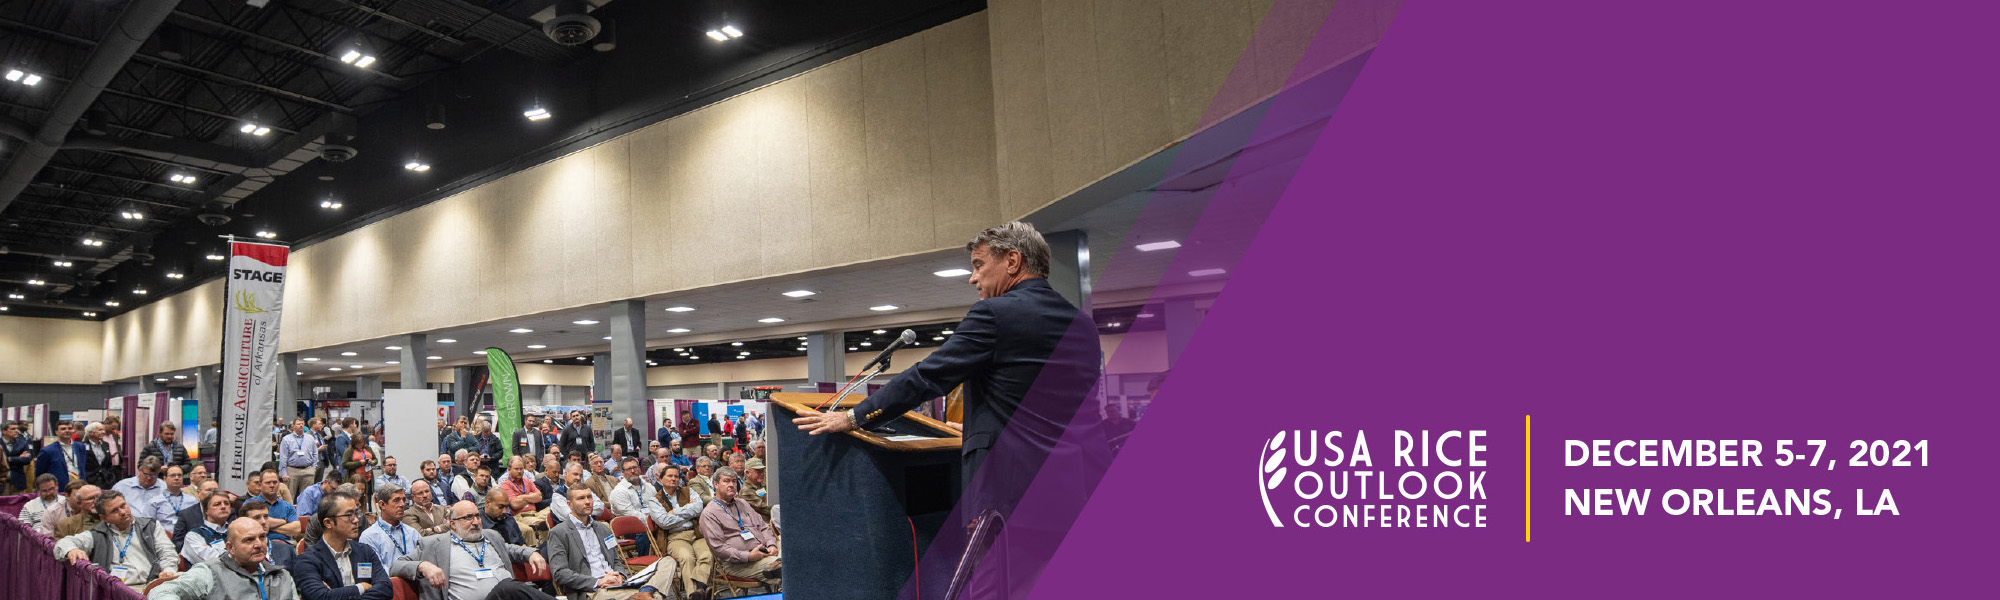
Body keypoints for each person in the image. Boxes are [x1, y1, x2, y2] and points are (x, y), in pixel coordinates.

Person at [389, 500, 555, 600]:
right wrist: (423, 565)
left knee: (511, 588)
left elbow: (509, 549)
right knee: (507, 587)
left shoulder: (490, 536)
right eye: (468, 518)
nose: (476, 522)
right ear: (452, 523)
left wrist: (531, 552)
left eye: (477, 516)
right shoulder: (433, 544)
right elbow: (395, 565)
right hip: (505, 592)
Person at [546, 487, 673, 600]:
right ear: (570, 504)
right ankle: (646, 594)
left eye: (589, 497)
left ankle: (644, 592)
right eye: (581, 498)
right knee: (656, 596)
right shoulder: (559, 533)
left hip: (618, 583)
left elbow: (616, 560)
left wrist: (621, 576)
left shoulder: (603, 529)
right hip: (593, 590)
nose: (587, 502)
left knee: (667, 562)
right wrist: (598, 581)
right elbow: (559, 573)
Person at [53, 489, 180, 592]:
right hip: (118, 591)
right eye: (115, 511)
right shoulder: (97, 534)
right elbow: (62, 544)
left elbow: (167, 551)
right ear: (104, 518)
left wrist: (168, 569)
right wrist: (72, 549)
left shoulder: (150, 526)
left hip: (153, 584)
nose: (123, 512)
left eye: (123, 505)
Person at [146, 517, 299, 600]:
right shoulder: (210, 572)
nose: (259, 544)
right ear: (230, 548)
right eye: (249, 540)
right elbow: (160, 593)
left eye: (262, 537)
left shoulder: (282, 576)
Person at [290, 491, 393, 600]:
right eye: (349, 515)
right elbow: (322, 597)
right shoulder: (307, 561)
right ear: (328, 523)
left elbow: (386, 589)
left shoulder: (365, 551)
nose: (356, 520)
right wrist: (361, 587)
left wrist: (338, 594)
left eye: (356, 513)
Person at [696, 468, 780, 588]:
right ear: (716, 484)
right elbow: (719, 548)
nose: (731, 485)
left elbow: (763, 526)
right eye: (726, 481)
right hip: (739, 564)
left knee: (795, 551)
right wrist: (748, 556)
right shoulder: (709, 513)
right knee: (784, 567)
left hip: (765, 551)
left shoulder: (743, 503)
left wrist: (772, 544)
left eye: (734, 481)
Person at [653, 464, 712, 597]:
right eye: (670, 476)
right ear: (661, 479)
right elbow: (665, 522)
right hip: (675, 537)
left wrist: (675, 512)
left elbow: (698, 508)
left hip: (696, 533)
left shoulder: (689, 491)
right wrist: (688, 512)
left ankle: (699, 589)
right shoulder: (654, 499)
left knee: (707, 554)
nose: (674, 479)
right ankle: (694, 594)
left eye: (676, 476)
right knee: (687, 557)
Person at [361, 484, 423, 564]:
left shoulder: (413, 533)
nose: (402, 504)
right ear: (382, 504)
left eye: (403, 500)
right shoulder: (369, 537)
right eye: (396, 500)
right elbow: (375, 571)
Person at [498, 455, 550, 546]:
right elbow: (514, 504)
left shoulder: (527, 481)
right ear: (509, 469)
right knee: (543, 524)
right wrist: (530, 497)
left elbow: (539, 497)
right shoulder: (506, 485)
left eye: (521, 469)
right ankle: (540, 549)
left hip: (535, 512)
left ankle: (546, 546)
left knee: (551, 509)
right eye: (516, 469)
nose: (519, 471)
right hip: (520, 515)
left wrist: (522, 497)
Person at [179, 488, 235, 566]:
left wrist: (216, 551)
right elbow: (211, 562)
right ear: (206, 511)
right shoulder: (194, 535)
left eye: (226, 503)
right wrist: (236, 554)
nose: (223, 507)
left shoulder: (236, 531)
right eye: (217, 504)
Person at [113, 456, 169, 521]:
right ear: (139, 470)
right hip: (128, 525)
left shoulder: (165, 488)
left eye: (153, 475)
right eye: (146, 474)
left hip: (156, 526)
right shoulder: (122, 486)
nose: (149, 478)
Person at [34, 421, 87, 489]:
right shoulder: (47, 450)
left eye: (70, 428)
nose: (67, 431)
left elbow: (83, 467)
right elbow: (40, 473)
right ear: (56, 432)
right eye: (63, 429)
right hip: (60, 488)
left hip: (80, 485)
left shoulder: (80, 447)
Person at [147, 464, 199, 532]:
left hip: (187, 539)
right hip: (164, 539)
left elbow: (198, 524)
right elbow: (149, 527)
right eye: (173, 475)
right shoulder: (154, 502)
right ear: (165, 479)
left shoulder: (192, 501)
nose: (177, 478)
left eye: (179, 475)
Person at [171, 479, 222, 544]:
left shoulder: (227, 513)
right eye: (208, 490)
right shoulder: (186, 515)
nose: (213, 493)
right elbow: (178, 541)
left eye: (215, 491)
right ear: (198, 493)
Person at [281, 418, 322, 497]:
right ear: (293, 426)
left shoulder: (310, 438)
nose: (301, 425)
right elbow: (283, 457)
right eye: (298, 424)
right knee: (289, 496)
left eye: (302, 424)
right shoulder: (287, 439)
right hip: (292, 470)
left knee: (307, 497)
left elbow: (315, 453)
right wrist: (284, 473)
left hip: (308, 470)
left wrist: (313, 468)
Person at [4, 420, 35, 493]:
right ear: (4, 431)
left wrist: (8, 459)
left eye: (16, 428)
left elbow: (27, 459)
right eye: (13, 429)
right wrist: (17, 458)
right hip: (3, 482)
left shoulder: (23, 442)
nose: (16, 431)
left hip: (18, 481)